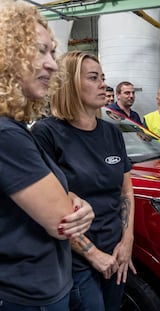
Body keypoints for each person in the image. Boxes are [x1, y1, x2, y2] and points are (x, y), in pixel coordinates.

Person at [0, 2, 94, 309]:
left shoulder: (13, 128)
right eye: (41, 51)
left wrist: (68, 196)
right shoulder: (7, 135)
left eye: (51, 52)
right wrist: (75, 205)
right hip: (28, 293)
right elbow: (62, 220)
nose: (53, 64)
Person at [32, 51, 136, 310]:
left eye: (103, 77)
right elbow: (49, 205)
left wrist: (127, 241)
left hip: (115, 253)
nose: (104, 84)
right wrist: (93, 254)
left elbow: (125, 190)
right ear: (69, 84)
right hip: (75, 260)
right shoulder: (47, 133)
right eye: (93, 77)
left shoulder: (112, 132)